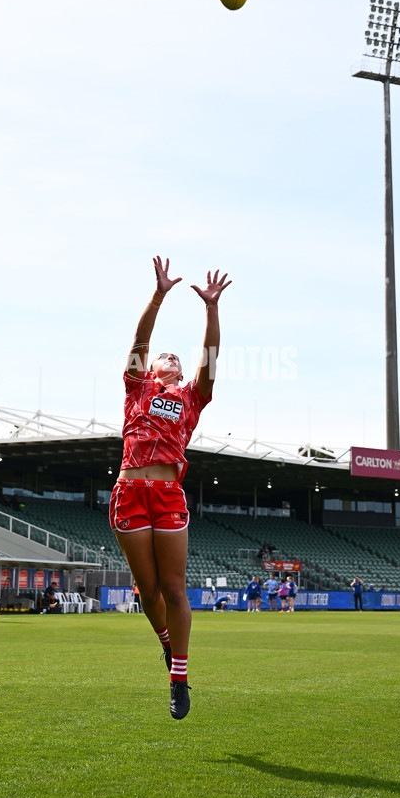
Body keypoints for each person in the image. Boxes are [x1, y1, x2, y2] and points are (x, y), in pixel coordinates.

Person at [109, 255, 231, 721]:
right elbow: (140, 340)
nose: (171, 357)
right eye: (165, 355)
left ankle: (179, 679)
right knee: (147, 591)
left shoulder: (193, 397)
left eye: (176, 358)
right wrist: (158, 295)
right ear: (152, 367)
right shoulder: (137, 387)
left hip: (167, 496)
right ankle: (165, 642)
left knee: (174, 589)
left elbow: (210, 357)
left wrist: (211, 309)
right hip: (129, 493)